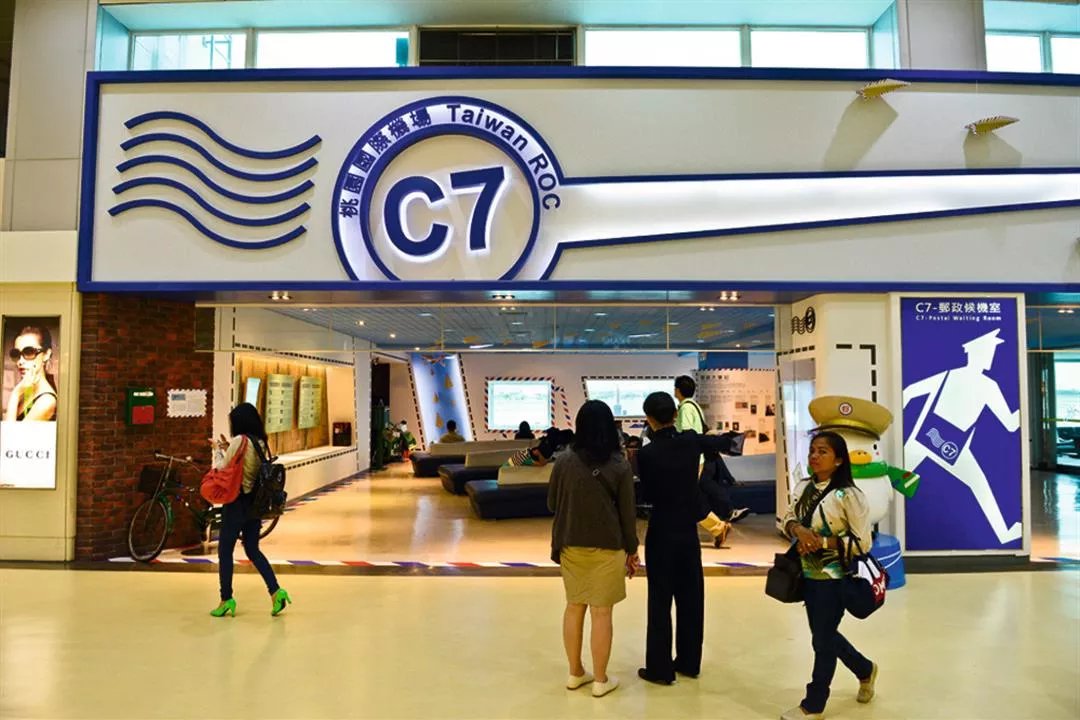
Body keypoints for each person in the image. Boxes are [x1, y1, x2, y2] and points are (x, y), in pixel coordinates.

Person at [636, 392, 742, 686]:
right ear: (674, 415)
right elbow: (729, 443)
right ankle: (689, 661)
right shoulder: (690, 442)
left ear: (649, 418)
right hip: (687, 529)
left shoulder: (646, 454)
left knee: (660, 600)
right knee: (691, 597)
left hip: (661, 528)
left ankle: (660, 668)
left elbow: (647, 494)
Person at [779, 431, 876, 720]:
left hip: (835, 578)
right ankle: (864, 668)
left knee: (821, 641)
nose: (815, 456)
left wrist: (821, 542)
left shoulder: (849, 495)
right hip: (806, 575)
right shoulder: (804, 486)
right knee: (824, 634)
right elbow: (788, 517)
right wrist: (798, 530)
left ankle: (814, 705)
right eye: (812, 450)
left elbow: (863, 543)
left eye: (823, 452)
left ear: (838, 460)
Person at [548, 400, 640, 698]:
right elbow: (627, 514)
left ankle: (575, 672)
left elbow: (552, 503)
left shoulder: (563, 461)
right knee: (602, 613)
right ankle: (601, 679)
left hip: (570, 542)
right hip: (608, 546)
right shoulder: (620, 464)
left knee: (574, 606)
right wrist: (632, 550)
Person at [209, 403, 291, 619]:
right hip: (255, 505)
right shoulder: (261, 442)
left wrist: (217, 450)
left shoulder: (239, 441)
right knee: (253, 550)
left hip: (236, 503)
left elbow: (222, 468)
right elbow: (247, 464)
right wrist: (228, 448)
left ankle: (226, 599)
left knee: (225, 551)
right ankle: (276, 591)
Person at [673, 376, 749, 547]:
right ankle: (717, 528)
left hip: (689, 460)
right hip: (697, 458)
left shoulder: (686, 408)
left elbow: (687, 435)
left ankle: (717, 527)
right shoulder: (695, 406)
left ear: (678, 390)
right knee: (688, 497)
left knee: (687, 498)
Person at [5, 325, 58, 422]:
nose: (20, 361)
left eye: (29, 352)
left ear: (46, 354)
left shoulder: (46, 401)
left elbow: (10, 432)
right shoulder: (29, 389)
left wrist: (15, 394)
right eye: (16, 354)